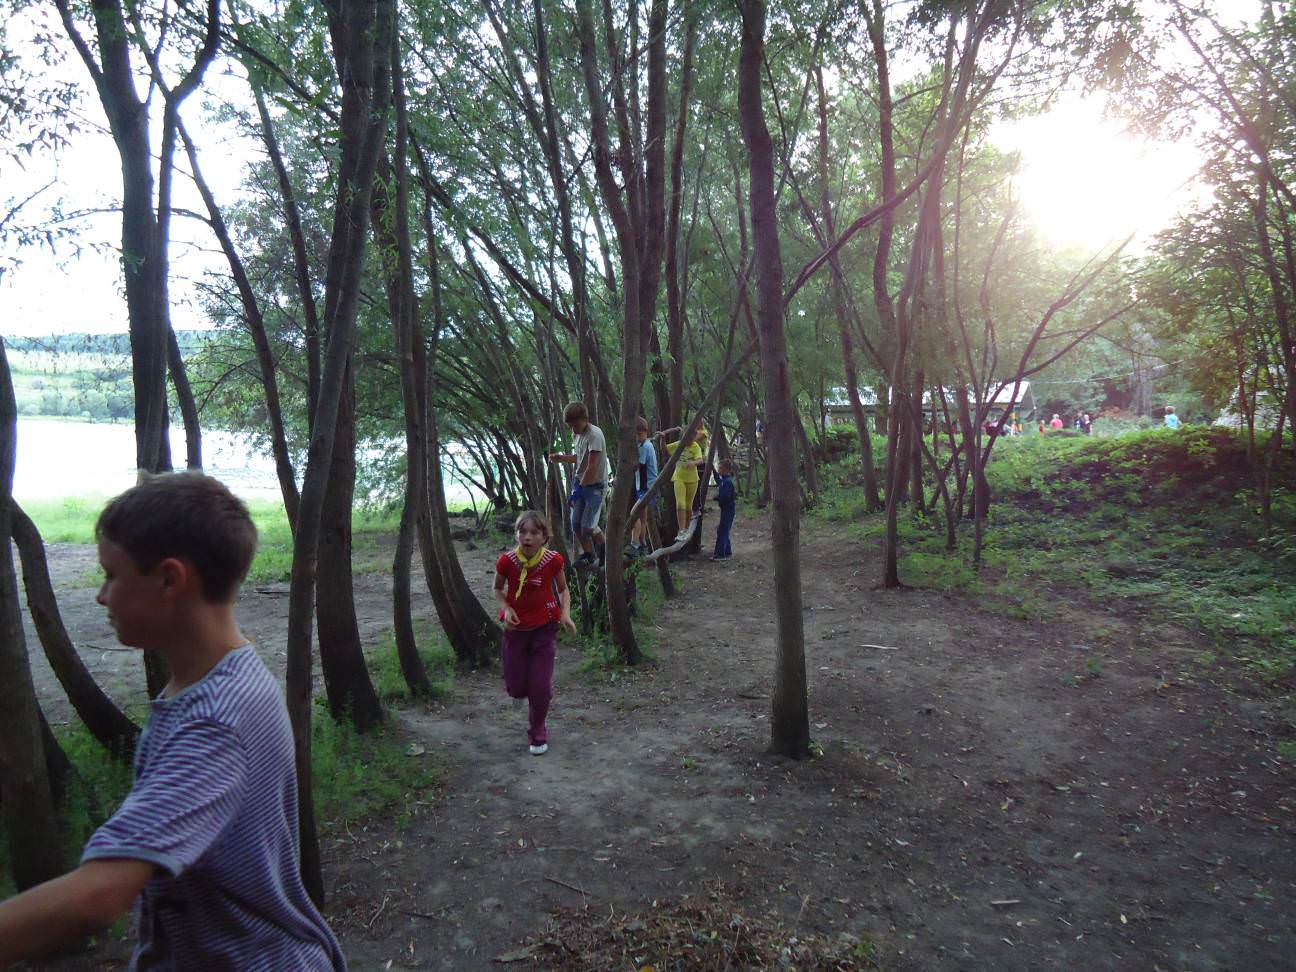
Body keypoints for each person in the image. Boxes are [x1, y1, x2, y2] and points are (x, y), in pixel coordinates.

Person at [0, 473, 346, 971]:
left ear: (169, 579)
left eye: (111, 575)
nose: (102, 596)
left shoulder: (215, 723)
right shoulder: (225, 676)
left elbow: (96, 897)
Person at [493, 511, 576, 756]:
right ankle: (520, 692)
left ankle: (538, 731)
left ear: (544, 537)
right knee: (517, 687)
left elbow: (563, 590)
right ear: (516, 535)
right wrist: (506, 608)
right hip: (515, 631)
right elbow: (497, 589)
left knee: (541, 687)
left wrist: (565, 614)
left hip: (544, 629)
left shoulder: (553, 560)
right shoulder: (507, 561)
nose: (527, 537)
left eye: (534, 532)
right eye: (522, 532)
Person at [548, 402, 607, 568]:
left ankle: (605, 553)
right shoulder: (577, 435)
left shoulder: (594, 435)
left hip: (595, 486)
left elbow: (591, 466)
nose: (573, 429)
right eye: (570, 426)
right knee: (575, 524)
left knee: (588, 527)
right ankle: (588, 554)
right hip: (580, 483)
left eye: (575, 425)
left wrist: (578, 491)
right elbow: (580, 458)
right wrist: (562, 458)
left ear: (585, 419)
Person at [655, 424, 707, 541]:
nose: (689, 441)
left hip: (692, 479)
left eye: (692, 439)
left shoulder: (695, 447)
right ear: (683, 437)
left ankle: (686, 529)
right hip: (679, 477)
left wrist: (693, 463)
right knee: (680, 504)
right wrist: (663, 438)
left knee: (688, 506)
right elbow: (665, 450)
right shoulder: (679, 445)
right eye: (687, 438)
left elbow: (700, 460)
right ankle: (682, 530)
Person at [629, 416, 659, 556]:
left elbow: (638, 466)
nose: (638, 437)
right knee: (642, 518)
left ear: (646, 433)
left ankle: (634, 544)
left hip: (647, 487)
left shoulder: (645, 447)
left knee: (634, 514)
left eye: (640, 434)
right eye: (636, 435)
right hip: (642, 487)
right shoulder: (644, 444)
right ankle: (643, 544)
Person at [711, 458, 737, 562]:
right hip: (725, 510)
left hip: (728, 510)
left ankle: (720, 554)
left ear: (726, 469)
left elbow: (726, 496)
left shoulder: (728, 482)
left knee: (723, 531)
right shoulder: (724, 480)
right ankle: (727, 551)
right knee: (723, 530)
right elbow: (718, 480)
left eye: (720, 468)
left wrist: (716, 497)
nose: (719, 470)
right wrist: (713, 470)